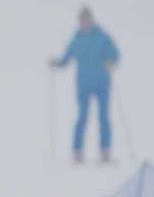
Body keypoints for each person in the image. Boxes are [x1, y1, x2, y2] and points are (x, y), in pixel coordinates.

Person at [51, 6, 121, 165]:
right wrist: (57, 63)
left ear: (91, 20)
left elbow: (115, 54)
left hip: (102, 83)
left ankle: (105, 151)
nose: (85, 23)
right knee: (82, 117)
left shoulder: (102, 36)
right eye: (82, 20)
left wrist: (111, 62)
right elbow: (66, 59)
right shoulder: (76, 39)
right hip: (84, 85)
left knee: (103, 118)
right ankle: (78, 152)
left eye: (87, 20)